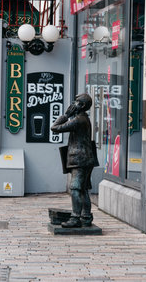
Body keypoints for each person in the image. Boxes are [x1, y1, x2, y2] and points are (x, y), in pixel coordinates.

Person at [51, 93, 97, 228]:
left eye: (76, 102)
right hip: (86, 159)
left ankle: (76, 218)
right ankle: (86, 217)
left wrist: (65, 115)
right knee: (82, 189)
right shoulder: (83, 119)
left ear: (82, 105)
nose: (73, 104)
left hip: (80, 160)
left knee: (76, 188)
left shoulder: (79, 120)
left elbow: (55, 128)